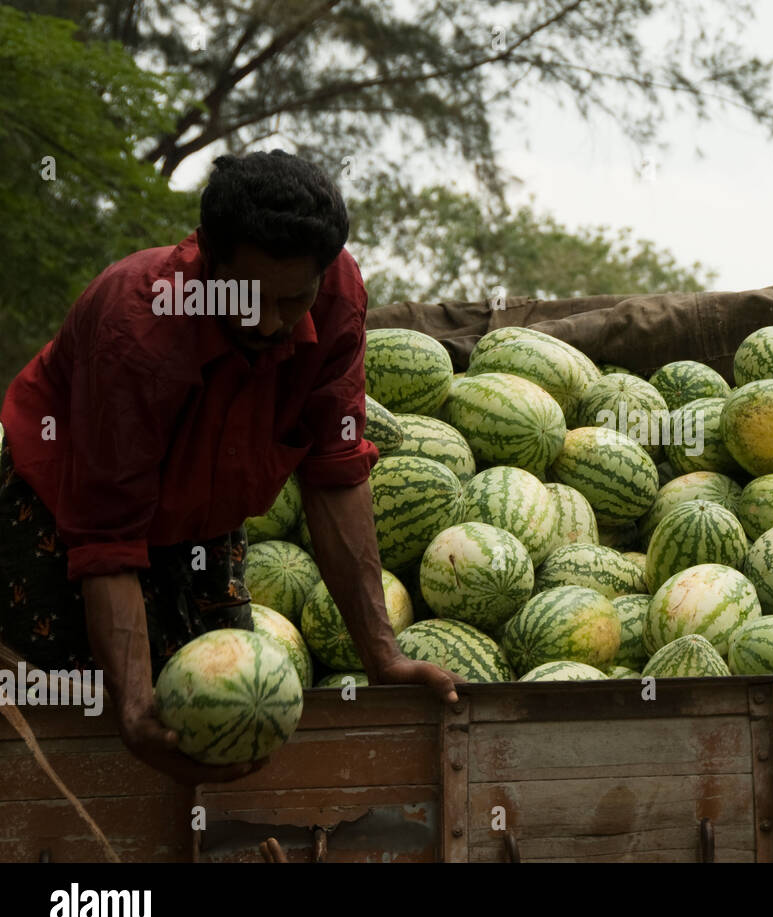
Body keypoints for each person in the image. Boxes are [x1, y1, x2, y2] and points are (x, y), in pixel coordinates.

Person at [0, 150, 462, 784]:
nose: (272, 323)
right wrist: (132, 710)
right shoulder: (139, 328)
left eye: (293, 300)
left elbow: (335, 473)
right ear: (209, 259)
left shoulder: (335, 300)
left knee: (226, 712)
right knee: (74, 720)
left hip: (203, 517)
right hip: (64, 508)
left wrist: (383, 657)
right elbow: (108, 537)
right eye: (251, 300)